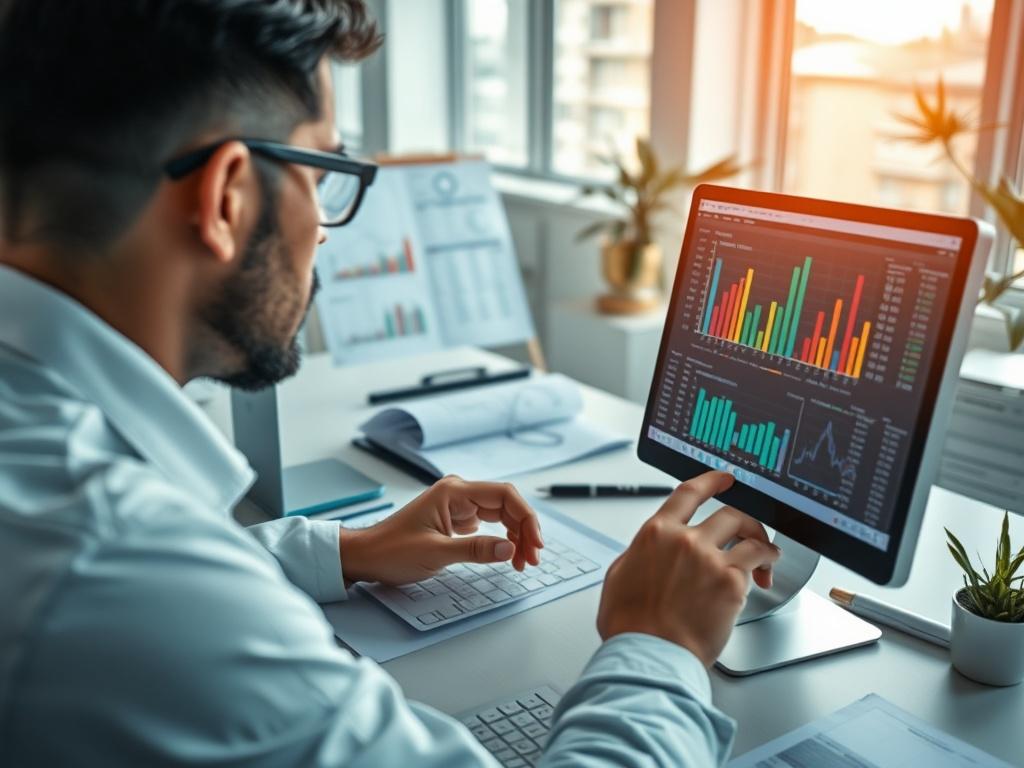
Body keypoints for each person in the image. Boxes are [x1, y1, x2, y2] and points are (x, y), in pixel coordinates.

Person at [0, 1, 781, 765]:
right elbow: (159, 591)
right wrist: (660, 644)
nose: (325, 233)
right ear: (228, 197)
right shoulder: (123, 563)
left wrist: (347, 550)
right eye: (323, 172)